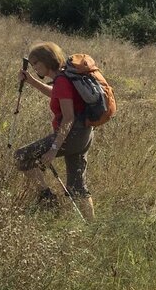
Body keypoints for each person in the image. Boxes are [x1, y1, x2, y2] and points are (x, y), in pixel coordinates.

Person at [14, 42, 95, 219]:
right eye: (33, 64)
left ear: (47, 61)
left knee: (21, 156)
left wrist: (53, 149)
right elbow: (56, 93)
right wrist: (31, 81)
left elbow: (68, 117)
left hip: (72, 135)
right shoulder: (64, 77)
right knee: (77, 187)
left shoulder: (63, 81)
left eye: (36, 63)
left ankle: (47, 199)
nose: (34, 67)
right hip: (84, 134)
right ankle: (93, 227)